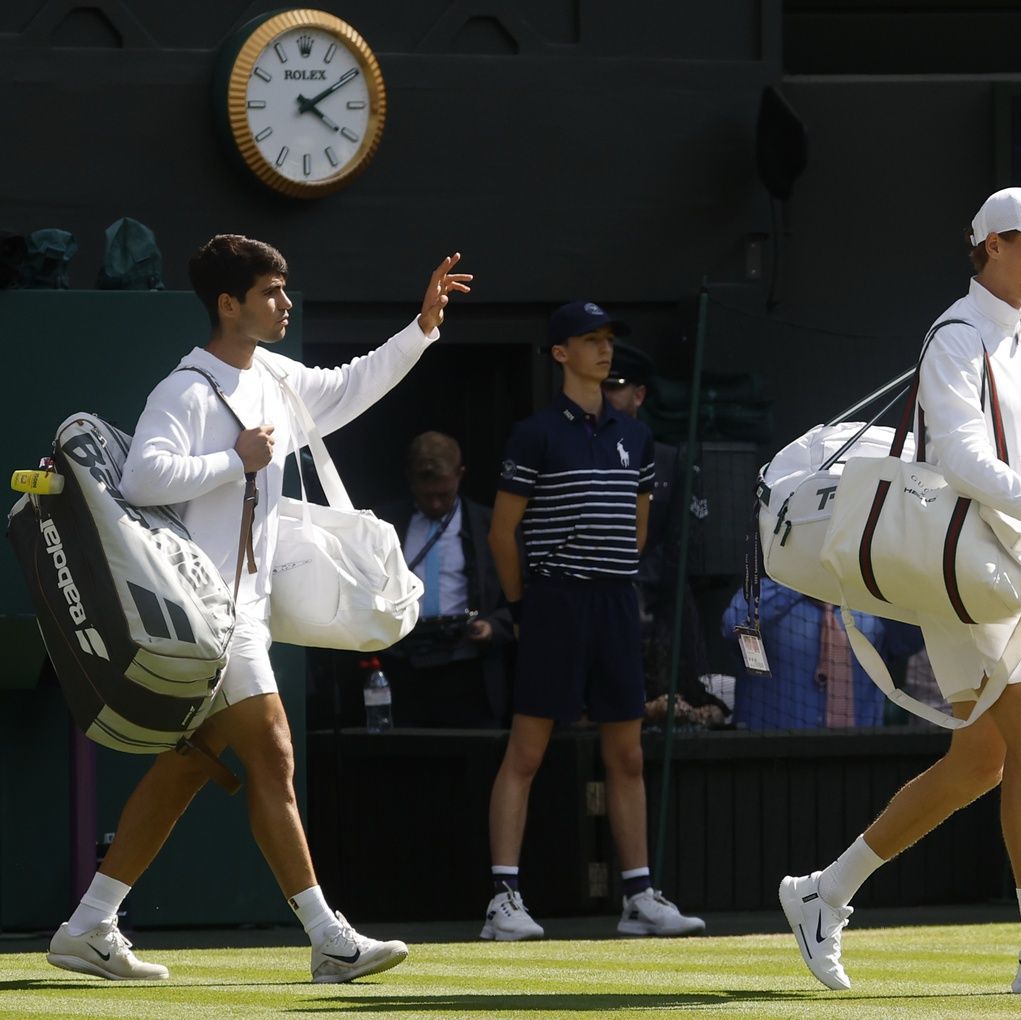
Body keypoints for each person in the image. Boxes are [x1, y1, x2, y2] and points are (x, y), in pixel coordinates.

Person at [46, 234, 470, 983]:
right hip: (208, 614)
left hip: (240, 612)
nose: (283, 304)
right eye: (271, 292)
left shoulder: (273, 375)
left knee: (186, 768)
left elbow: (346, 387)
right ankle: (328, 937)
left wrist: (423, 325)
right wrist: (234, 458)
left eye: (284, 290)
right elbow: (145, 477)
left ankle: (89, 925)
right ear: (228, 303)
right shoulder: (184, 389)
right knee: (273, 751)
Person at [779, 187, 1021, 995]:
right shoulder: (955, 335)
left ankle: (820, 893)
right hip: (966, 579)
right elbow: (959, 458)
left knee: (981, 760)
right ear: (992, 247)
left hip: (1020, 573)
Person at [482, 300, 705, 941]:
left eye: (607, 340)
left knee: (627, 754)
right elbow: (503, 535)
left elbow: (633, 533)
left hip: (614, 602)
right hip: (554, 600)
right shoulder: (535, 433)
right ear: (560, 353)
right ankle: (503, 900)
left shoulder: (634, 438)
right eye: (590, 340)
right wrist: (526, 609)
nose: (604, 350)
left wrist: (607, 585)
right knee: (526, 752)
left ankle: (638, 897)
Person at [602, 343, 727, 729]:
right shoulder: (580, 452)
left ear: (638, 394)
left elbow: (688, 541)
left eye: (615, 385)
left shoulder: (670, 459)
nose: (605, 395)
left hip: (661, 614)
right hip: (600, 607)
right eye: (601, 385)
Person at [376, 431, 516, 727]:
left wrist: (494, 626)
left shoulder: (488, 526)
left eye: (445, 494)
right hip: (406, 663)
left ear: (460, 476)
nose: (437, 505)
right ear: (410, 480)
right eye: (427, 496)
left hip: (468, 665)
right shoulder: (384, 526)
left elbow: (520, 595)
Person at [721, 579, 921, 729]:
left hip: (857, 760)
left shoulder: (870, 601)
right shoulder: (763, 593)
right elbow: (733, 625)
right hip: (775, 757)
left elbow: (916, 636)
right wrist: (803, 580)